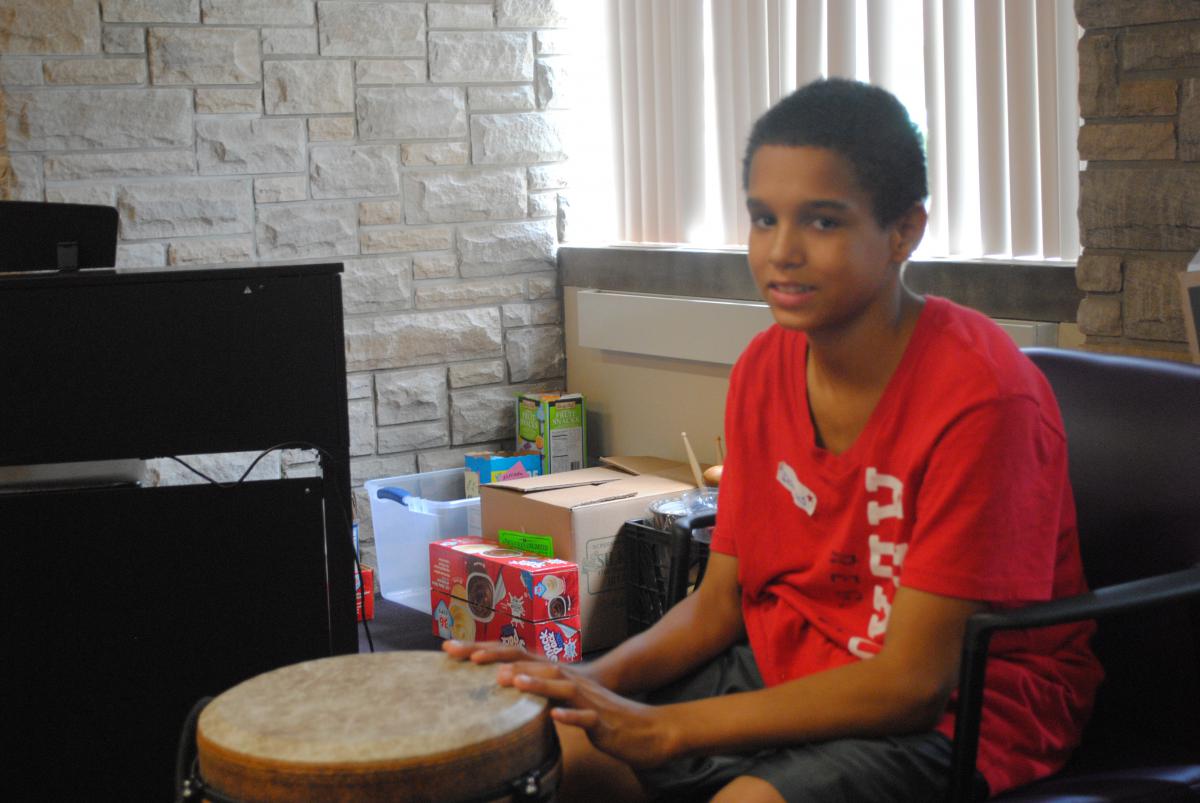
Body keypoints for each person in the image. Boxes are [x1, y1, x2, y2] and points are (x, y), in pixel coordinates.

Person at [444, 78, 1102, 802]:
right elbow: (719, 605)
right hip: (789, 662)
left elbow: (913, 684)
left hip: (964, 712)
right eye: (763, 218)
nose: (781, 251)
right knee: (560, 746)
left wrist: (669, 729)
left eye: (822, 222)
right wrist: (581, 681)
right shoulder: (764, 368)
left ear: (905, 231)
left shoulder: (983, 397)